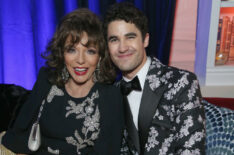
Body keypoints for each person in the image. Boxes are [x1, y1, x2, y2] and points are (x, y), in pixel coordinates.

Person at [0, 8, 124, 155]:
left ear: (100, 56)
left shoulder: (111, 96)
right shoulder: (47, 80)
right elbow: (17, 137)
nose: (80, 60)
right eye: (72, 50)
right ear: (62, 53)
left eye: (90, 51)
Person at [103, 2, 206, 155]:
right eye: (114, 40)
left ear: (145, 40)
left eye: (130, 37)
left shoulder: (182, 82)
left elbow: (192, 150)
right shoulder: (111, 93)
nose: (122, 47)